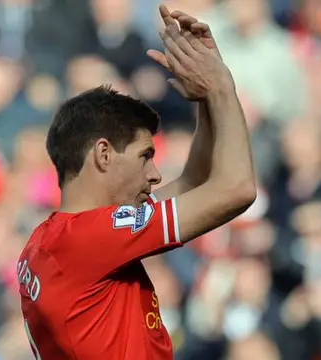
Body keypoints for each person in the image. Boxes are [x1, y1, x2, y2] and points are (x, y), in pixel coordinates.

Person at [16, 6, 255, 359]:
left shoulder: (50, 242)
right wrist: (221, 86)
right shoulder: (90, 239)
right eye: (145, 156)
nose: (156, 174)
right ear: (104, 154)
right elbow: (237, 189)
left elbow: (194, 181)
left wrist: (204, 100)